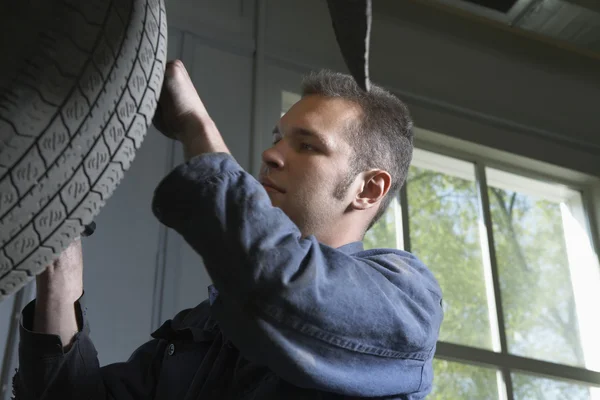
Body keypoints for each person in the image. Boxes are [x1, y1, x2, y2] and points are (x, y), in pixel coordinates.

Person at [13, 60, 443, 399]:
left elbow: (279, 283)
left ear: (368, 189)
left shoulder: (407, 300)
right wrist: (59, 233)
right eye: (278, 137)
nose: (270, 154)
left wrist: (196, 126)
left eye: (307, 145)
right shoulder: (207, 323)